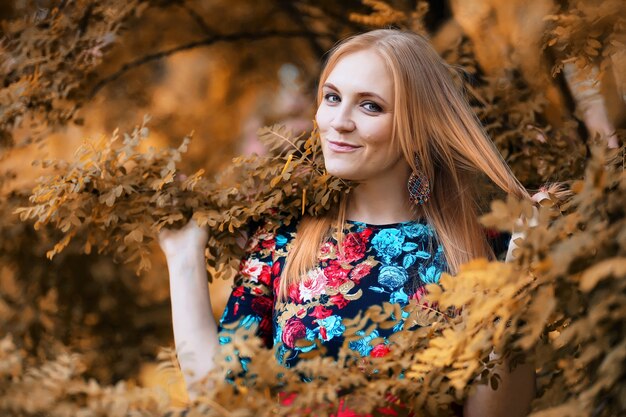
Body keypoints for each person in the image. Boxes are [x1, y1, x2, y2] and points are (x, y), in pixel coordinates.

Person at [158, 29, 536, 416]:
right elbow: (222, 397)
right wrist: (183, 255)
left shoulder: (481, 246)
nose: (338, 122)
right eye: (332, 97)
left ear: (418, 126)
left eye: (370, 106)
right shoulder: (284, 236)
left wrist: (524, 267)